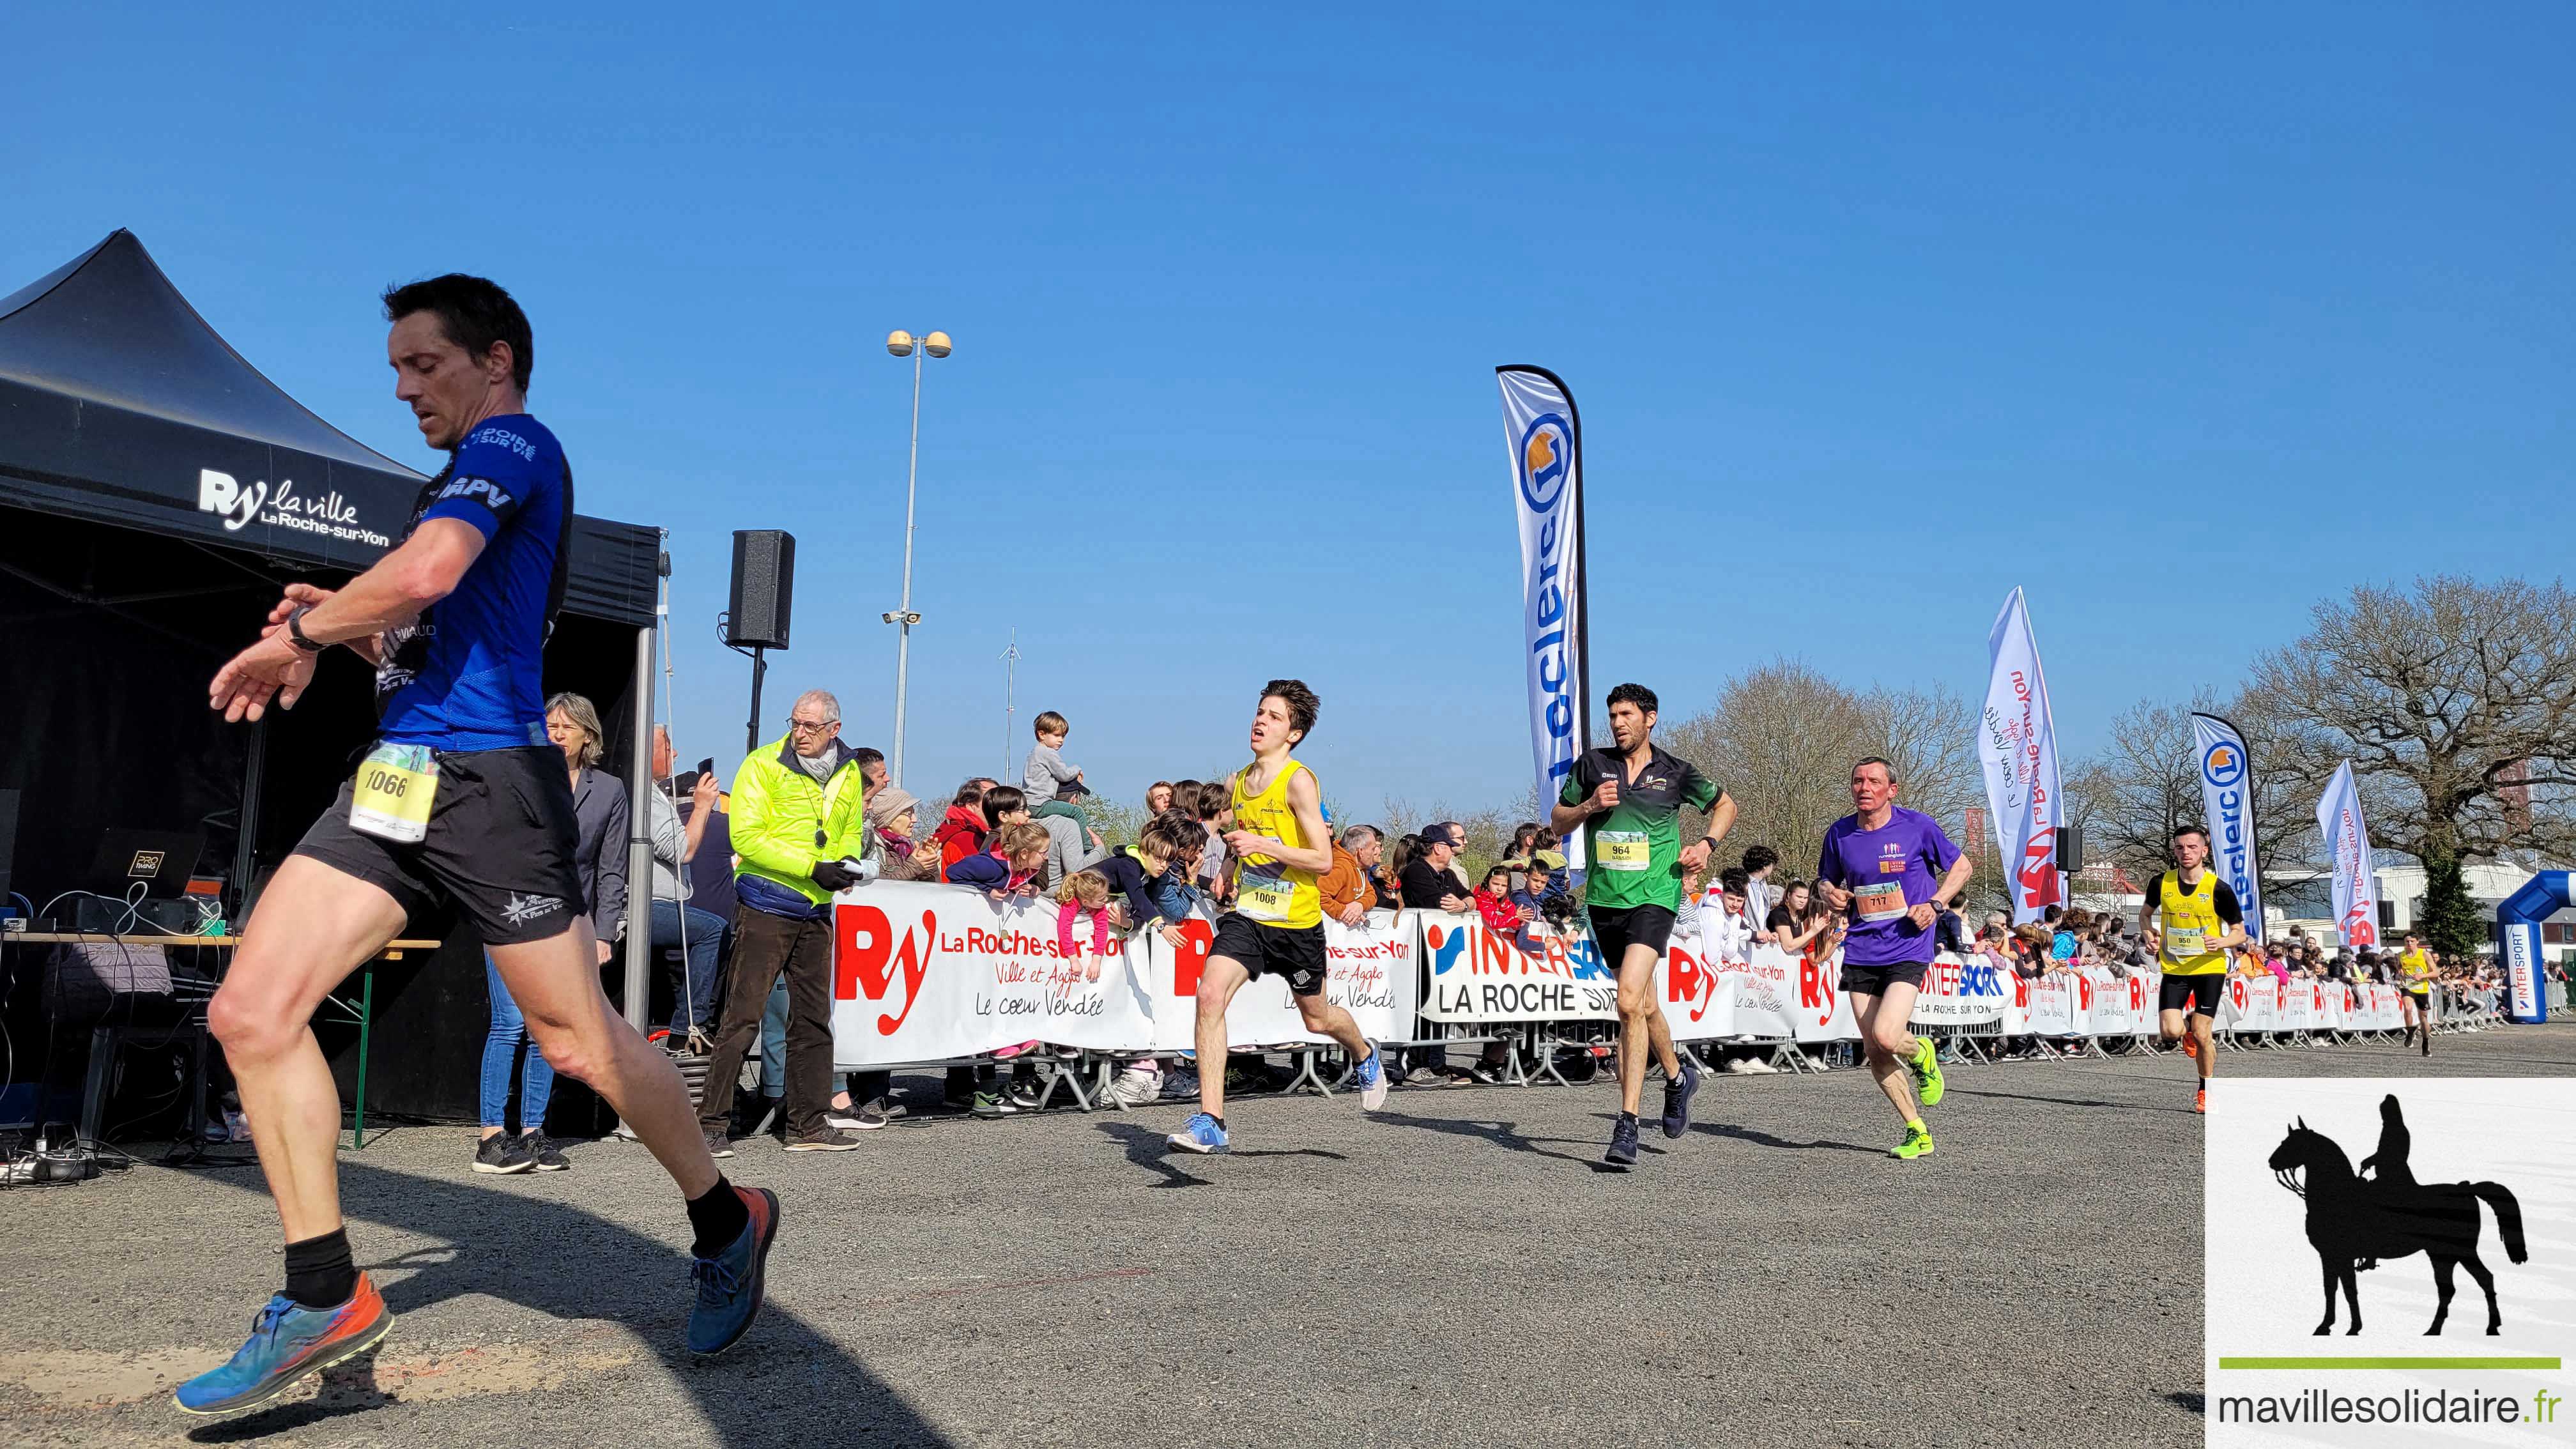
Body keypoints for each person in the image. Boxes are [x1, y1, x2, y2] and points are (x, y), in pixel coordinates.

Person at [188, 275, 772, 1414]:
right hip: (397, 776)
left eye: (424, 364)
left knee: (577, 1044)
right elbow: (424, 625)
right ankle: (324, 1293)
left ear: (494, 359)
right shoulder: (449, 478)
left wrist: (307, 627)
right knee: (249, 1011)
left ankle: (726, 1213)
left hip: (491, 786)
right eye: (397, 369)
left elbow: (430, 574)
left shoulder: (512, 441)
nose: (405, 387)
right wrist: (342, 630)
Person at [1167, 680, 1386, 1153]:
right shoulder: (1237, 782)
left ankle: (1365, 1053)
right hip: (1249, 916)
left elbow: (1323, 860)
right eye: (1259, 711)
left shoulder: (1299, 781)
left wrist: (1264, 846)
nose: (1260, 721)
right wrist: (1228, 867)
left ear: (1295, 733)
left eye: (1274, 716)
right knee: (1209, 996)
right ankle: (1212, 1120)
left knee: (1318, 1019)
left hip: (1297, 924)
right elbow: (1238, 836)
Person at [1549, 682, 1736, 1168]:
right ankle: (1678, 1078)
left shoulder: (1674, 772)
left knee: (1629, 999)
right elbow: (1557, 822)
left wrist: (1706, 845)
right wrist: (1590, 806)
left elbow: (1725, 805)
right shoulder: (1592, 764)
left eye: (1627, 715)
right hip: (1606, 901)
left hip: (1657, 897)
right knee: (1646, 1004)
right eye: (1613, 716)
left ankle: (1627, 1124)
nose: (1618, 723)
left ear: (1650, 718)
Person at [696, 690, 870, 1156]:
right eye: (796, 723)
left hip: (816, 909)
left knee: (814, 1019)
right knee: (742, 1016)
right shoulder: (761, 764)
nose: (801, 733)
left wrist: (847, 861)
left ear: (835, 729)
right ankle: (710, 1126)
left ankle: (808, 1125)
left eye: (812, 727)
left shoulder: (850, 770)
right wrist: (812, 867)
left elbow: (849, 826)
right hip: (766, 905)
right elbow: (746, 837)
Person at [474, 692, 627, 1176]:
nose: (556, 734)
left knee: (550, 1032)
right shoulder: (521, 775)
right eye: (550, 726)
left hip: (568, 925)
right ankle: (491, 1137)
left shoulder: (609, 791)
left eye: (566, 728)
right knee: (509, 1024)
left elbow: (611, 869)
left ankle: (534, 1132)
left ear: (588, 737)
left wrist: (604, 933)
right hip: (510, 914)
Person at [1812, 756, 1972, 1161]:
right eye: (1858, 781)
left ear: (1892, 790)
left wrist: (1936, 904)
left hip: (1907, 943)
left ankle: (1921, 1053)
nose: (1864, 787)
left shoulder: (1917, 826)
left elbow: (1962, 867)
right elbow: (1824, 880)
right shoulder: (1840, 833)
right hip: (1862, 946)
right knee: (1876, 1050)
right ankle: (1916, 1130)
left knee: (1886, 1034)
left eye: (1874, 781)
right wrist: (1829, 892)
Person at [2135, 825, 2251, 1115]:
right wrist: (2149, 935)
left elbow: (2240, 933)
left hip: (2209, 966)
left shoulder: (2219, 889)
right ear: (2174, 851)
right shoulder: (2161, 883)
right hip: (2175, 967)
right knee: (2170, 1031)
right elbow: (2145, 915)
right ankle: (2186, 1032)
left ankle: (2205, 1090)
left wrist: (2222, 941)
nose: (2185, 852)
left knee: (2203, 1033)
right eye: (2180, 847)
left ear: (2204, 851)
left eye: (2191, 847)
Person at [648, 726, 727, 1048]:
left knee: (689, 949)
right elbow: (683, 851)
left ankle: (684, 1024)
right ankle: (688, 1029)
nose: (676, 753)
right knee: (714, 930)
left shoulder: (651, 793)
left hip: (668, 903)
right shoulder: (644, 795)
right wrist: (703, 807)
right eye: (668, 745)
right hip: (649, 904)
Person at [1021, 710, 1091, 830]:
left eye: (1063, 736)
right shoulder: (1048, 753)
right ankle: (1087, 847)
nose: (1061, 740)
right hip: (1041, 803)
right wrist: (1077, 769)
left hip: (1027, 803)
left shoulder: (1034, 753)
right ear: (1042, 734)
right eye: (1057, 735)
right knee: (1077, 812)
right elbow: (1064, 774)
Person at [864, 786, 937, 882]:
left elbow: (932, 892)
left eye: (914, 813)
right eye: (909, 814)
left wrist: (929, 865)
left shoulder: (911, 851)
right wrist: (913, 868)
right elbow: (878, 888)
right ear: (889, 820)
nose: (915, 820)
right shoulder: (871, 850)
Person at [1318, 824, 1383, 927]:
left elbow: (1371, 895)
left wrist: (1360, 905)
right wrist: (1345, 913)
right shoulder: (1340, 867)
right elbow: (1318, 897)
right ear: (1361, 852)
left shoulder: (1361, 868)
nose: (1376, 852)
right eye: (1373, 849)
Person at [1400, 831, 1474, 912]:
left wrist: (1465, 906)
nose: (1452, 852)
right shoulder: (1415, 871)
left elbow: (1471, 898)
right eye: (1450, 847)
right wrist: (1460, 905)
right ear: (1438, 848)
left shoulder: (1448, 874)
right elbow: (1439, 904)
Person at [932, 781, 990, 880]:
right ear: (971, 806)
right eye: (990, 800)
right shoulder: (966, 839)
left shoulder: (977, 834)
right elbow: (981, 881)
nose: (998, 805)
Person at [2395, 933, 2436, 1055]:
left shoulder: (2424, 954)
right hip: (2407, 986)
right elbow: (2398, 966)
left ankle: (2425, 1043)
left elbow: (2435, 972)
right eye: (2407, 941)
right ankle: (2410, 1032)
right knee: (2407, 1008)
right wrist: (2399, 970)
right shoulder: (2401, 955)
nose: (2409, 944)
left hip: (2421, 988)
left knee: (2423, 1018)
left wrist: (2422, 976)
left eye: (2412, 941)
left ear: (2417, 942)